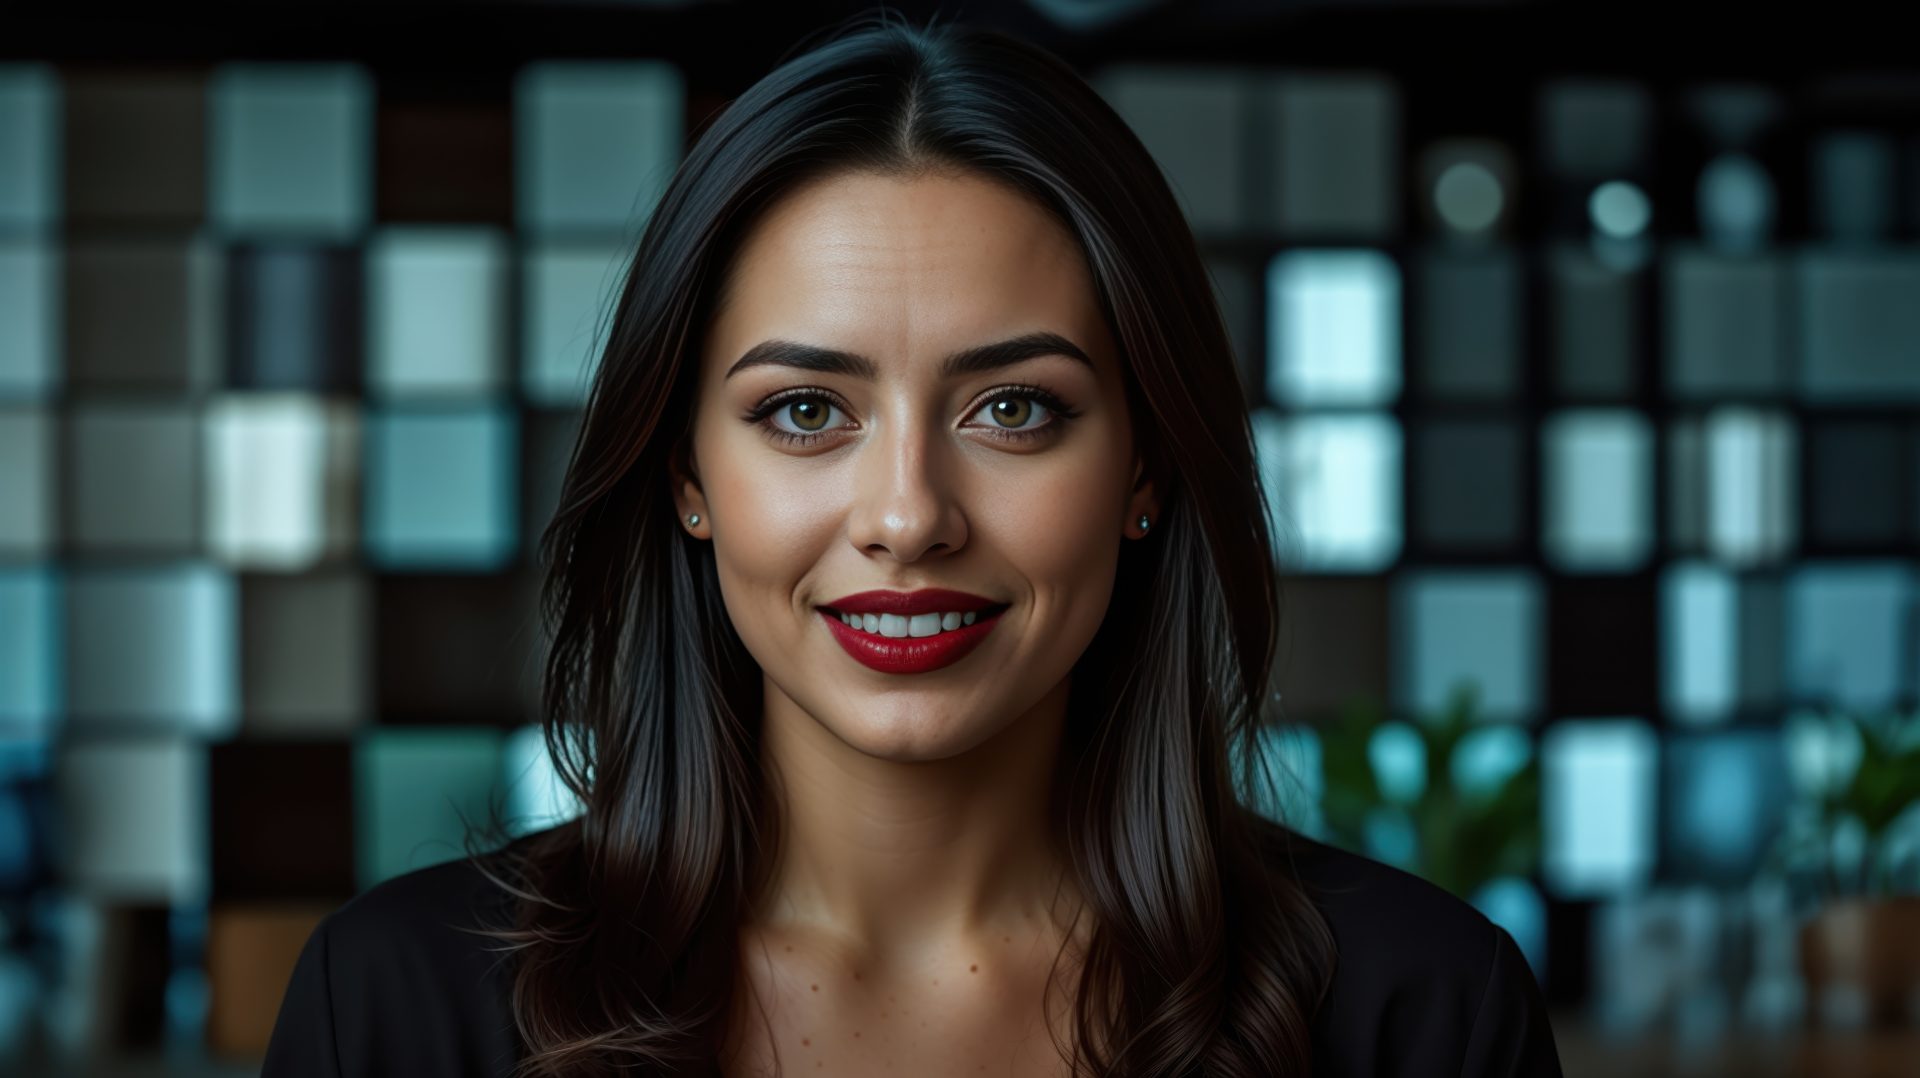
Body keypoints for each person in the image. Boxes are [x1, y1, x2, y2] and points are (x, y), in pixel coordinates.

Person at [263, 9, 1564, 1077]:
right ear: (688, 477)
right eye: (805, 411)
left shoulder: (1423, 1017)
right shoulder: (393, 1012)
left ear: (1146, 468)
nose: (906, 514)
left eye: (1014, 408)